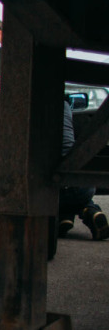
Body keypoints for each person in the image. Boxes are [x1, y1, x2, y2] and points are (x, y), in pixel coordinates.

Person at [58, 99, 109, 240]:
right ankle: (89, 210)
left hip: (52, 186)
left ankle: (63, 217)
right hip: (83, 185)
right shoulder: (65, 106)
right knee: (72, 191)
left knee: (54, 190)